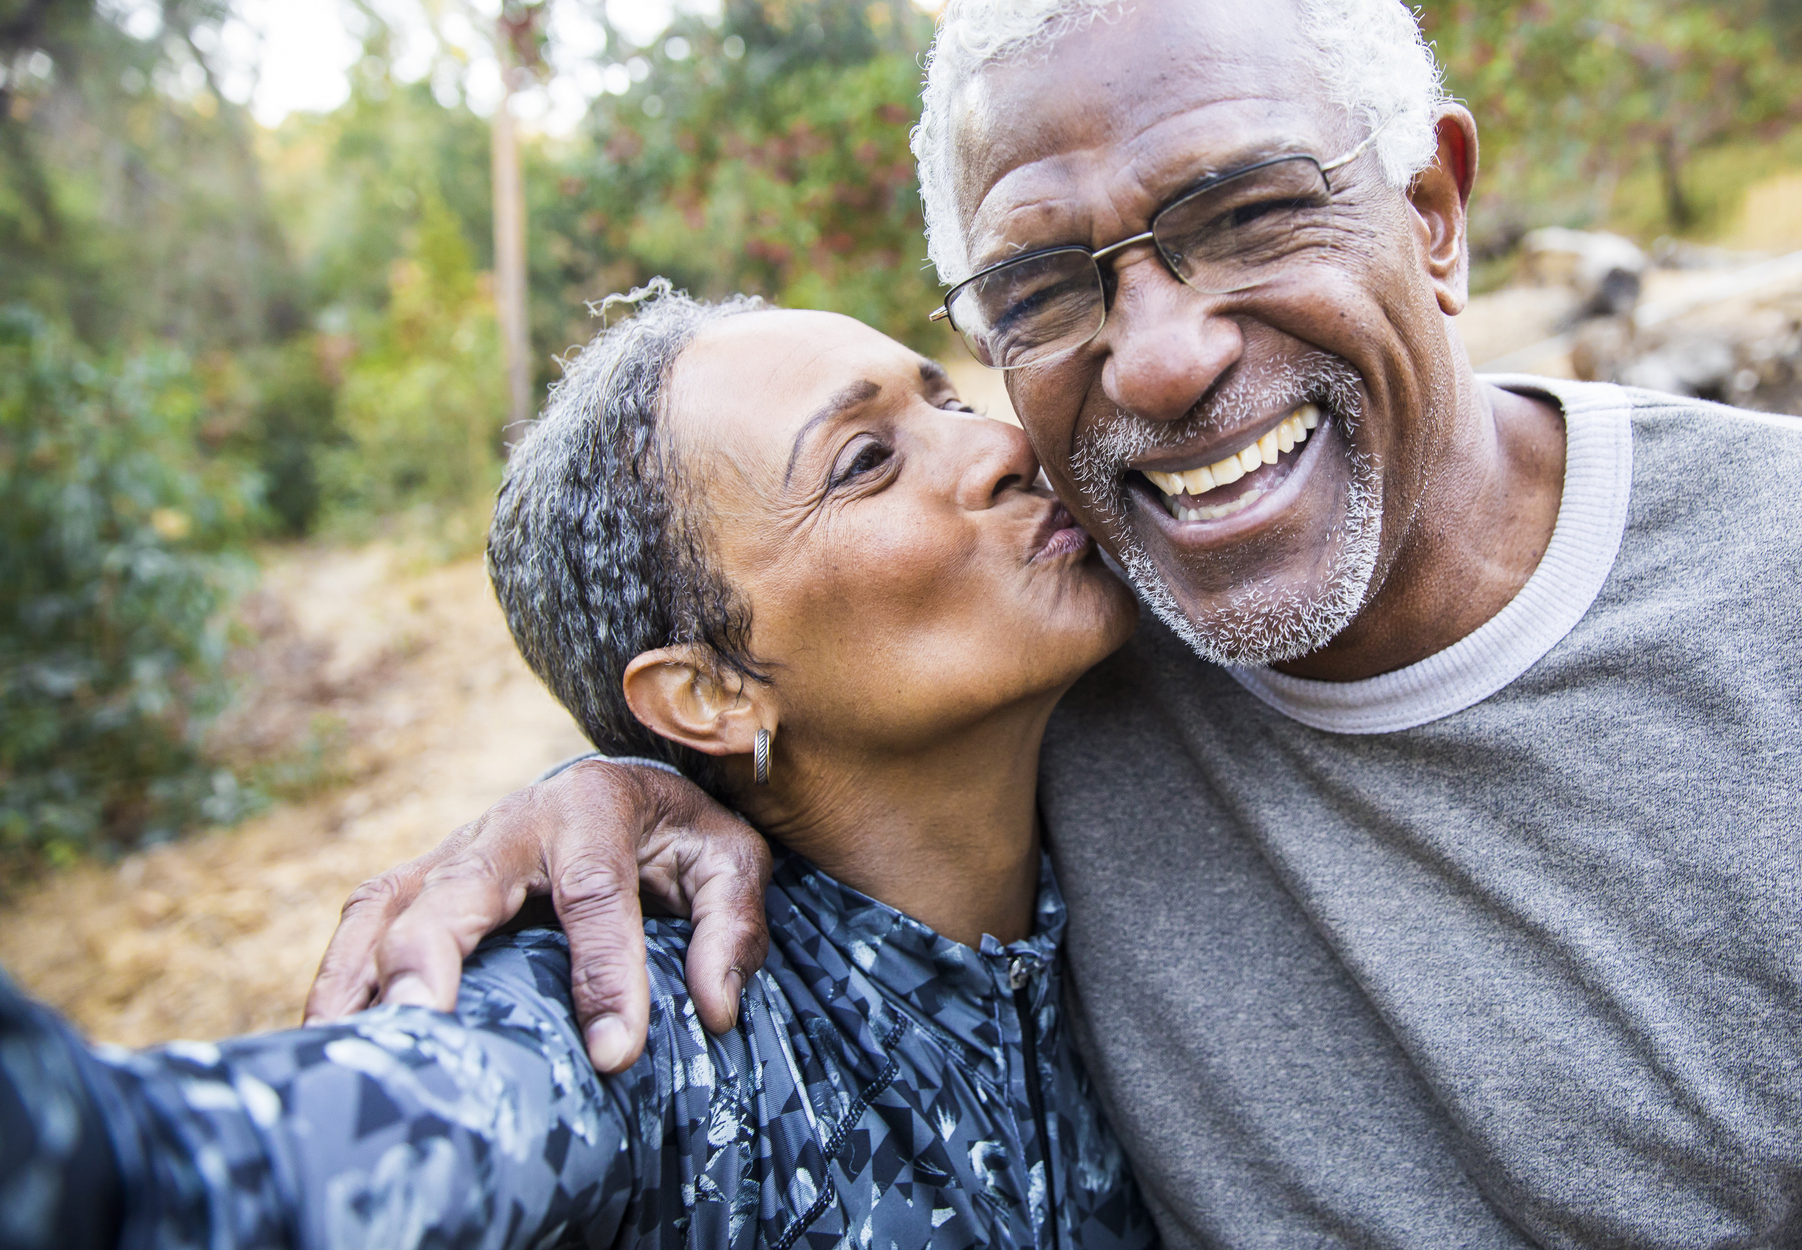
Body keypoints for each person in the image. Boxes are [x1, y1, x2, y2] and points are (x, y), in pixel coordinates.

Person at [306, 0, 1802, 1247]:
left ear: (1434, 211)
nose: (1158, 356)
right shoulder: (1057, 661)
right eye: (1044, 286)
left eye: (1249, 210)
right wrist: (604, 792)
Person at [0, 285, 1157, 1250]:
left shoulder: (1167, 766)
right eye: (865, 461)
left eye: (949, 394)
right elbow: (178, 1176)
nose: (1007, 443)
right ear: (710, 691)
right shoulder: (648, 1032)